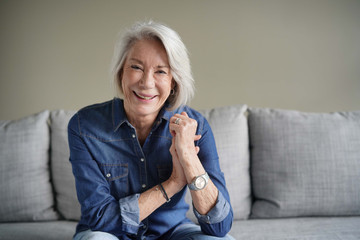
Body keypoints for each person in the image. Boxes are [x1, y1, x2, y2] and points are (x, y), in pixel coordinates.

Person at [68, 21, 234, 240]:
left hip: (173, 232)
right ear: (121, 73)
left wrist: (188, 158)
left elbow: (220, 227)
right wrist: (173, 183)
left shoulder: (195, 126)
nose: (147, 82)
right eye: (136, 67)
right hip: (110, 235)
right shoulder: (84, 126)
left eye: (161, 71)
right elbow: (101, 219)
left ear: (174, 81)